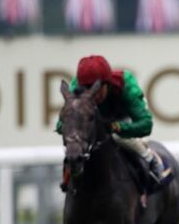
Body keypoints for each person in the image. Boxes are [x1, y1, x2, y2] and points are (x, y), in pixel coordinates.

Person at [56, 55, 170, 191]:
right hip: (94, 119)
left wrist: (115, 126)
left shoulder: (127, 86)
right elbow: (60, 126)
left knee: (118, 137)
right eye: (87, 89)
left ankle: (151, 159)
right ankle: (68, 179)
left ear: (107, 84)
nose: (93, 95)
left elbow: (146, 125)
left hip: (123, 115)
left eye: (97, 89)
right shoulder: (76, 87)